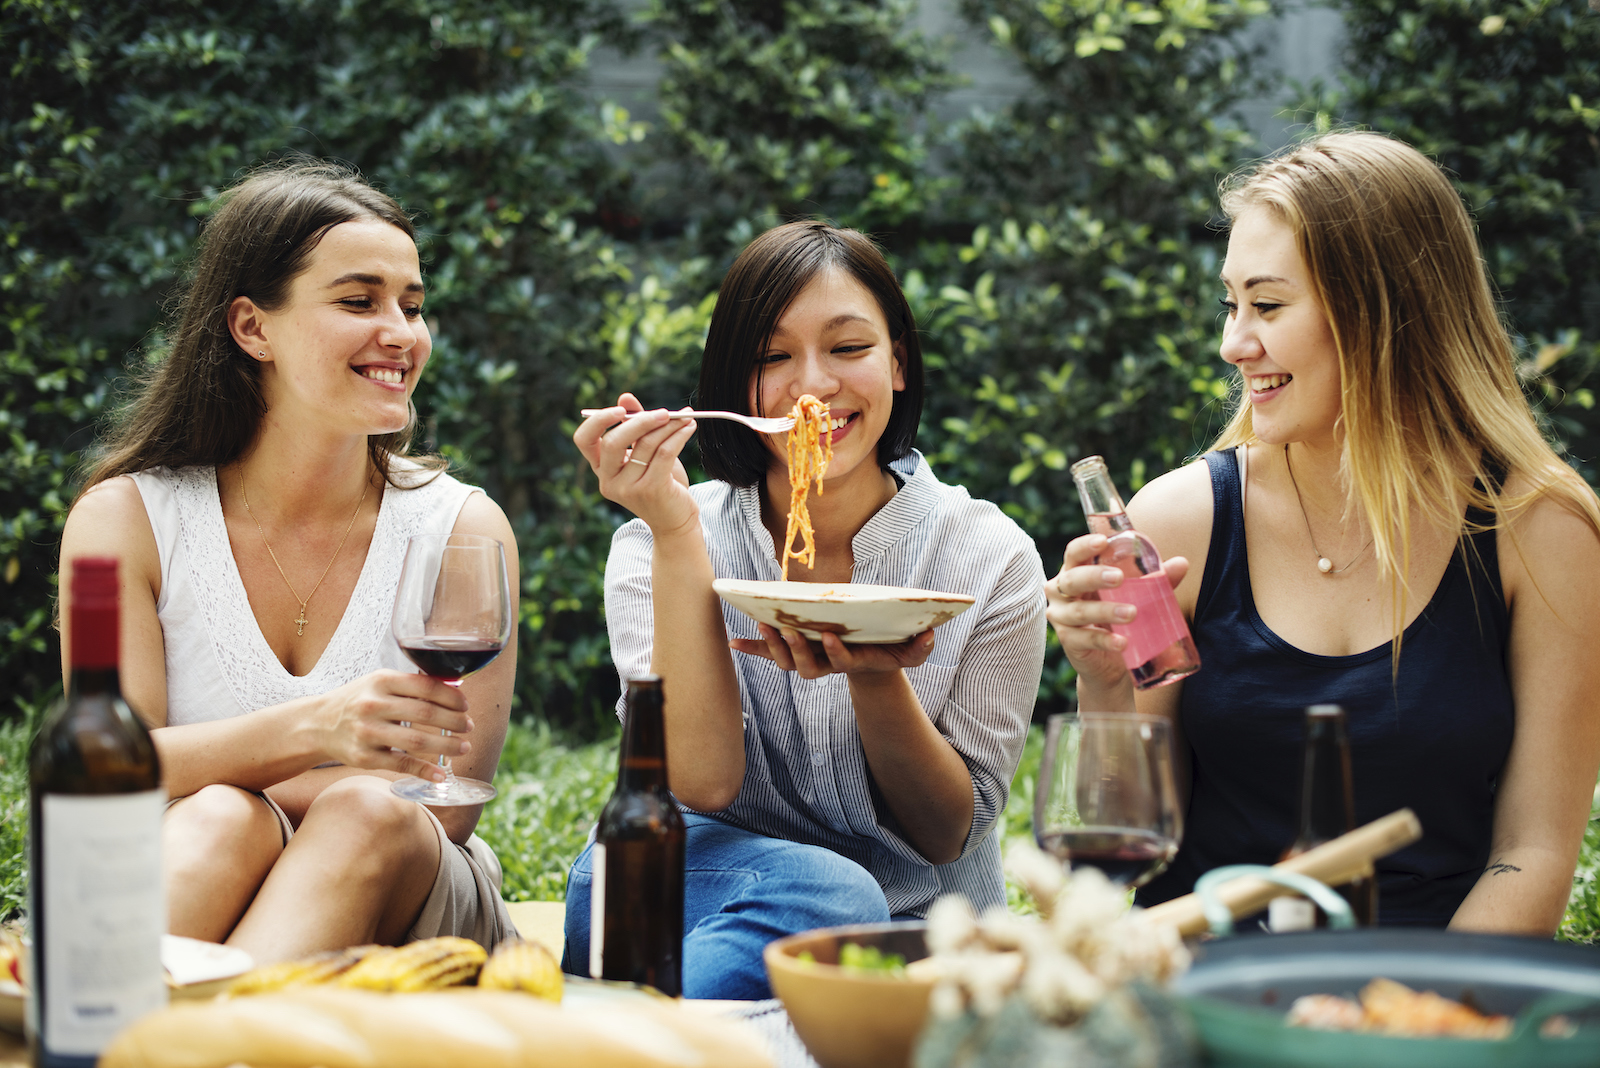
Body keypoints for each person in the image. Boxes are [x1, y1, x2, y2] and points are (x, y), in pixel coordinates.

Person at [1046, 131, 1600, 934]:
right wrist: (1102, 682)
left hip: (1428, 1006)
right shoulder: (1178, 524)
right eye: (1231, 304)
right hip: (1203, 993)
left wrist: (1410, 1024)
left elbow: (1534, 851)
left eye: (1267, 305)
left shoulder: (1540, 529)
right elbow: (1122, 847)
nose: (1234, 342)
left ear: (1387, 312)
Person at [569, 221, 1047, 997]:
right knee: (772, 890)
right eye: (771, 358)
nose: (811, 387)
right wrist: (675, 529)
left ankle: (631, 1030)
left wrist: (875, 674)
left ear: (897, 362)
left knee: (843, 899)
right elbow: (698, 784)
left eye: (848, 348)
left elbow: (945, 833)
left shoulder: (988, 559)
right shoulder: (652, 542)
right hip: (698, 888)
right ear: (735, 385)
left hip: (912, 929)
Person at [58, 161, 519, 964]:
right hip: (202, 862)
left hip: (406, 885)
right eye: (358, 301)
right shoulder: (123, 521)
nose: (403, 333)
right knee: (220, 820)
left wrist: (203, 772)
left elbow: (442, 807)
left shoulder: (460, 527)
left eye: (412, 305)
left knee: (362, 813)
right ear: (252, 328)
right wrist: (317, 731)